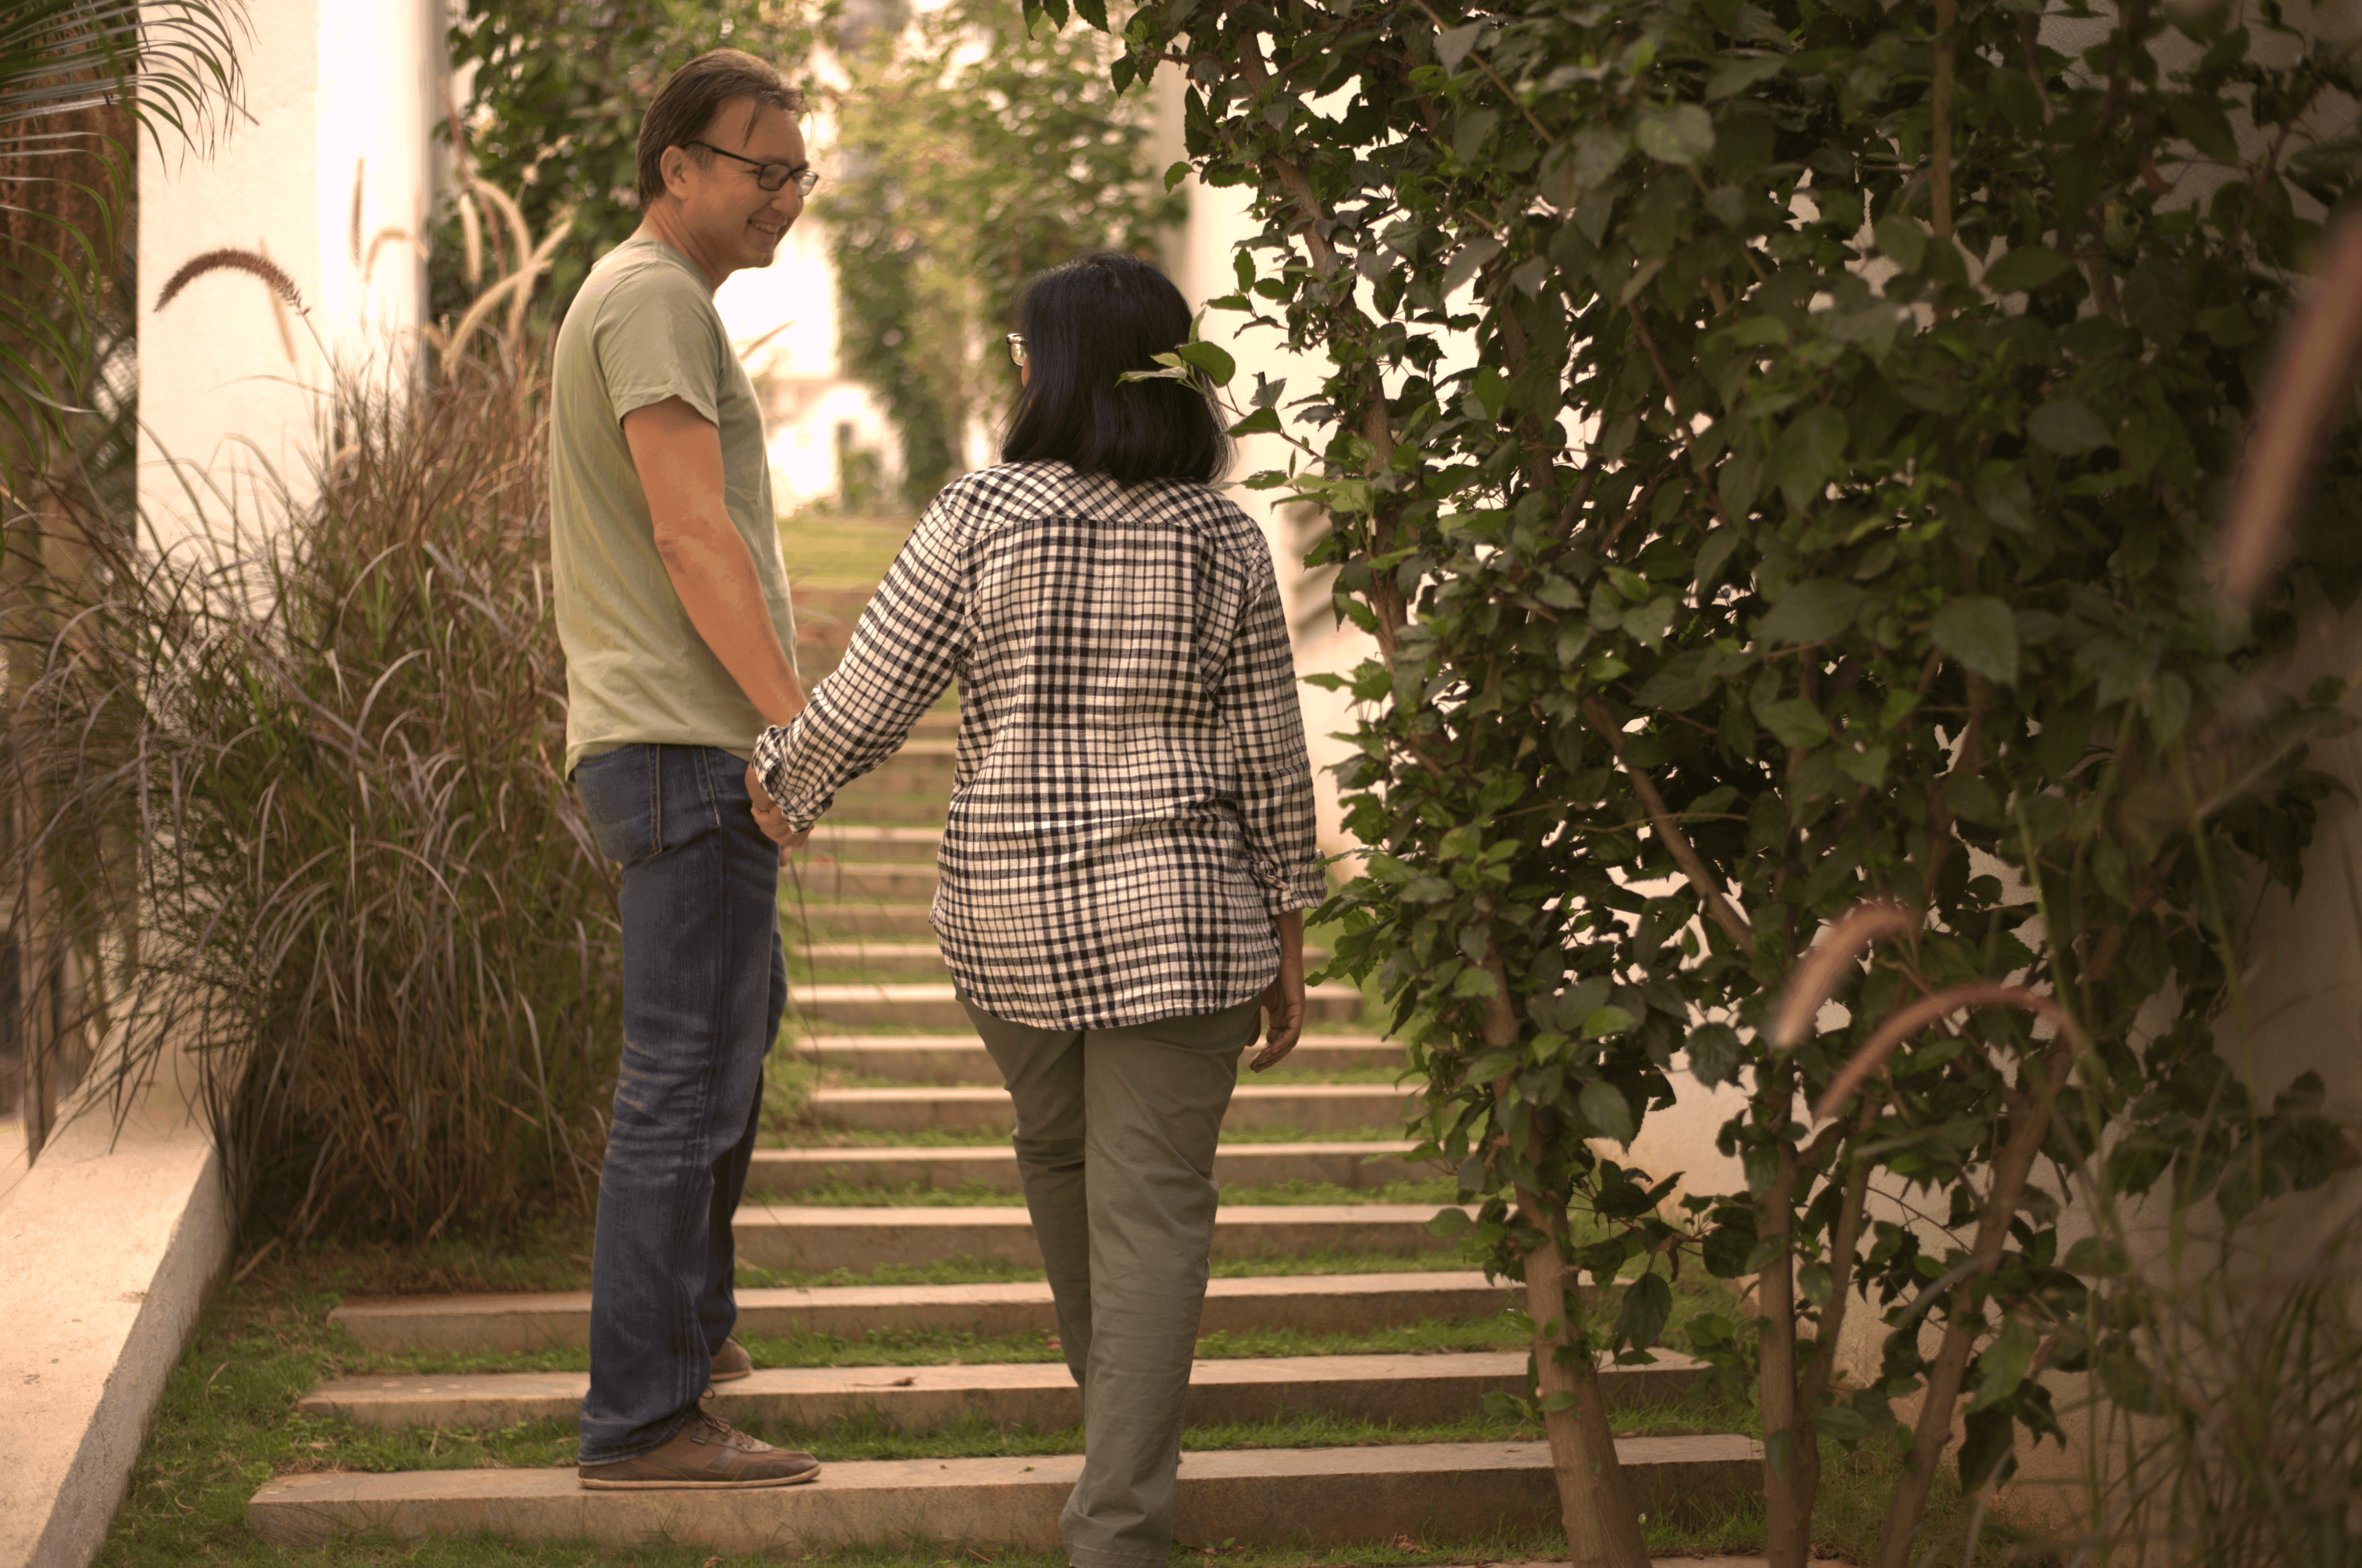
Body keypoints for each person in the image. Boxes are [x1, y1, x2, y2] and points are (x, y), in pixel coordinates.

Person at [748, 251, 1325, 1568]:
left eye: (1022, 350)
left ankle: (1116, 1498)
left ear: (1052, 369)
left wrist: (784, 783)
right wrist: (1290, 920)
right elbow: (1266, 748)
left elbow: (874, 687)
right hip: (1184, 920)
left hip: (1014, 920)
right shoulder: (1219, 532)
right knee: (1156, 1210)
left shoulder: (982, 515)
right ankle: (1122, 1497)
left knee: (1070, 1172)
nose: (1014, 366)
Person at [550, 47, 824, 1491]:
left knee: (721, 1051)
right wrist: (796, 728)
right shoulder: (654, 299)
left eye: (795, 172)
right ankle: (647, 1415)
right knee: (684, 1082)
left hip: (675, 741)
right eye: (757, 165)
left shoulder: (654, 300)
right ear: (678, 168)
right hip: (686, 742)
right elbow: (688, 534)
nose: (781, 193)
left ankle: (685, 1347)